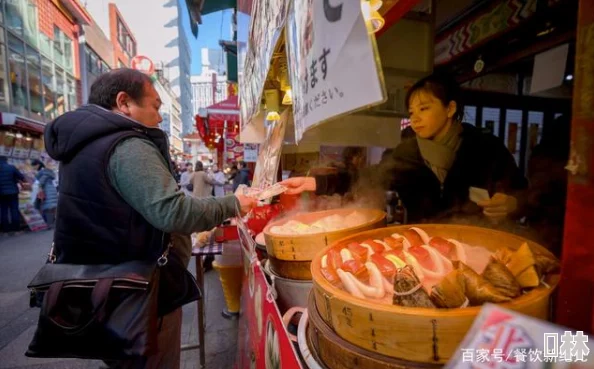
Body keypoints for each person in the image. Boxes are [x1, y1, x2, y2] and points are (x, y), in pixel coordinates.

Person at [43, 68, 256, 368]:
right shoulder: (126, 145)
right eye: (155, 106)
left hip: (102, 290)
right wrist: (234, 203)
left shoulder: (83, 143)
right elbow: (173, 212)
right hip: (137, 292)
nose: (159, 117)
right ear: (124, 102)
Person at [282, 74, 527, 224]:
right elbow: (367, 178)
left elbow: (525, 193)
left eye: (425, 108)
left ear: (450, 109)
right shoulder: (407, 152)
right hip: (422, 245)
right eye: (411, 112)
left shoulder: (485, 147)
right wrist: (316, 183)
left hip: (477, 245)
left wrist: (514, 204)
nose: (416, 118)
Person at [0, 156, 24, 234]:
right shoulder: (11, 167)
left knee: (4, 210)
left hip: (1, 193)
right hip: (13, 192)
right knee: (14, 209)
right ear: (6, 160)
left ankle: (5, 229)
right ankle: (16, 228)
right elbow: (21, 177)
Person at [31, 159, 58, 228]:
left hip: (47, 191)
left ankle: (50, 224)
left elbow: (42, 181)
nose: (33, 167)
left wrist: (39, 186)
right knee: (51, 207)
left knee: (48, 208)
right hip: (51, 190)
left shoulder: (43, 172)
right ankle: (52, 223)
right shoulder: (46, 172)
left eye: (34, 166)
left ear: (38, 165)